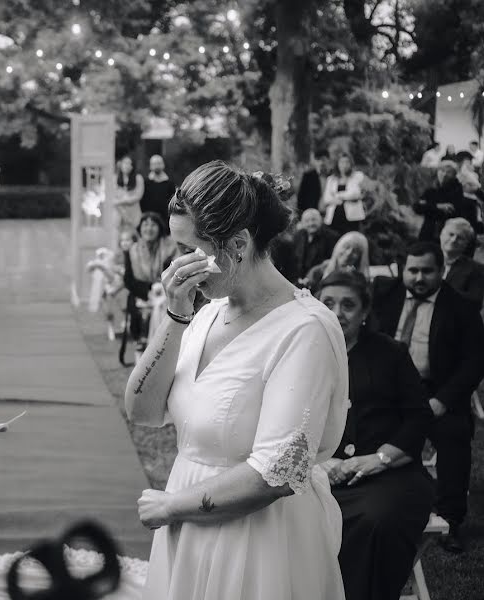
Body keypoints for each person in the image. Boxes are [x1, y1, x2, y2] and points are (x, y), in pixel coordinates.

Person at [126, 161, 348, 600]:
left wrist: (172, 505)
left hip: (259, 539)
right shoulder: (207, 311)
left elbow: (277, 473)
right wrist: (175, 316)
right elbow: (143, 412)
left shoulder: (305, 329)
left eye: (190, 250)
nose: (178, 265)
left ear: (239, 245)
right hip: (190, 528)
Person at [317, 270, 434, 600]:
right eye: (328, 303)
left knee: (376, 520)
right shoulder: (306, 353)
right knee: (285, 515)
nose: (337, 312)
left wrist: (380, 458)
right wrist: (319, 461)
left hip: (389, 474)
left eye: (348, 305)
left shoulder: (391, 353)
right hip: (322, 473)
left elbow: (419, 416)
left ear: (365, 311)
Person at [371, 242, 484, 553]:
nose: (419, 277)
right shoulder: (385, 296)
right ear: (403, 269)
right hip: (390, 390)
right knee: (366, 426)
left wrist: (442, 401)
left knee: (454, 435)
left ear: (441, 270)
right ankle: (375, 506)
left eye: (427, 271)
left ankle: (450, 519)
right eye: (413, 270)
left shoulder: (462, 308)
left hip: (436, 391)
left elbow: (474, 362)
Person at [122, 212, 177, 348]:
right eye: (145, 225)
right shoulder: (133, 250)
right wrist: (149, 291)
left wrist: (159, 289)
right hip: (141, 294)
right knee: (141, 312)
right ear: (140, 229)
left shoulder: (170, 248)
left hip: (165, 294)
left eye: (153, 225)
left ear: (160, 228)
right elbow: (128, 280)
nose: (149, 228)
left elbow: (172, 274)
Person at [413, 160, 475, 242]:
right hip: (427, 233)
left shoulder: (457, 191)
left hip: (447, 235)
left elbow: (451, 210)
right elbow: (417, 207)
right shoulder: (430, 190)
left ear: (454, 175)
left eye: (449, 172)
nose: (444, 174)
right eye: (442, 171)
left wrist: (428, 206)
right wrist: (437, 206)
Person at [304, 231, 371, 293]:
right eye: (346, 247)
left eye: (356, 251)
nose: (349, 253)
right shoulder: (317, 272)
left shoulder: (359, 280)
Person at [440, 217, 484, 304]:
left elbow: (475, 302)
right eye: (451, 234)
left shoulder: (476, 269)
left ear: (466, 244)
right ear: (441, 235)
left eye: (460, 238)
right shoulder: (423, 259)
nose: (453, 240)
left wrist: (440, 290)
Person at [292, 208, 340, 283]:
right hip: (299, 279)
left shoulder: (331, 236)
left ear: (320, 220)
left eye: (314, 220)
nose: (311, 224)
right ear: (302, 223)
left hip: (320, 280)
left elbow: (332, 261)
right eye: (307, 221)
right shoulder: (298, 236)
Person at [322, 153, 365, 235]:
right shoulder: (331, 179)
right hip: (334, 218)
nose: (344, 165)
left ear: (351, 164)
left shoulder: (357, 176)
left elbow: (355, 194)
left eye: (347, 162)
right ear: (337, 164)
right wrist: (343, 199)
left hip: (352, 219)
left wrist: (338, 195)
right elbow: (327, 199)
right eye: (341, 162)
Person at [140, 155, 177, 234]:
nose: (156, 166)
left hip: (165, 221)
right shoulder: (145, 183)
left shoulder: (170, 183)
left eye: (158, 163)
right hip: (149, 220)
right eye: (154, 164)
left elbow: (173, 202)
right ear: (150, 166)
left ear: (163, 165)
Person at [112, 155, 144, 233]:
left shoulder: (138, 178)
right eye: (125, 163)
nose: (127, 166)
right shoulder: (114, 178)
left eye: (129, 163)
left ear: (133, 166)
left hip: (133, 213)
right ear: (121, 164)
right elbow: (111, 196)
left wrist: (120, 201)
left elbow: (137, 196)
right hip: (118, 213)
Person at [297, 150, 329, 214]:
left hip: (330, 214)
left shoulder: (334, 176)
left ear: (328, 160)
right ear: (314, 161)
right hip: (313, 213)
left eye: (323, 160)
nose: (321, 163)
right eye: (318, 160)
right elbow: (301, 198)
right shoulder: (308, 176)